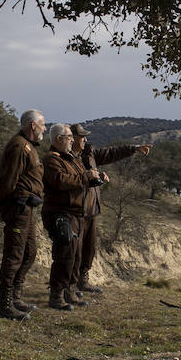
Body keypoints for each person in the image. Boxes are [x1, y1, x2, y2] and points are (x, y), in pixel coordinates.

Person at [70, 123, 150, 295]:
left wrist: (133, 148)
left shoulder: (88, 153)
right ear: (72, 137)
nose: (85, 139)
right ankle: (70, 285)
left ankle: (82, 281)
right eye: (82, 136)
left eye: (85, 136)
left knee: (89, 248)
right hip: (75, 210)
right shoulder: (67, 157)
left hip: (91, 209)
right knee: (74, 250)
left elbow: (111, 153)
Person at [0, 109, 46, 320]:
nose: (44, 128)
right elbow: (8, 179)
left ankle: (15, 297)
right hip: (17, 207)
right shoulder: (19, 146)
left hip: (26, 207)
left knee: (29, 253)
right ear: (32, 125)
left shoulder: (28, 146)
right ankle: (4, 305)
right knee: (14, 255)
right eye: (42, 124)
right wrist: (0, 203)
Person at [40, 123, 102, 310]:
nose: (72, 140)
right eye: (69, 137)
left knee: (75, 256)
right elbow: (60, 181)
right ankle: (57, 296)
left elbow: (78, 179)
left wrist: (92, 177)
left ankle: (70, 291)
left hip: (76, 214)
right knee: (65, 255)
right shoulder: (52, 159)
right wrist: (86, 177)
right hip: (61, 213)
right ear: (59, 139)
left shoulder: (71, 158)